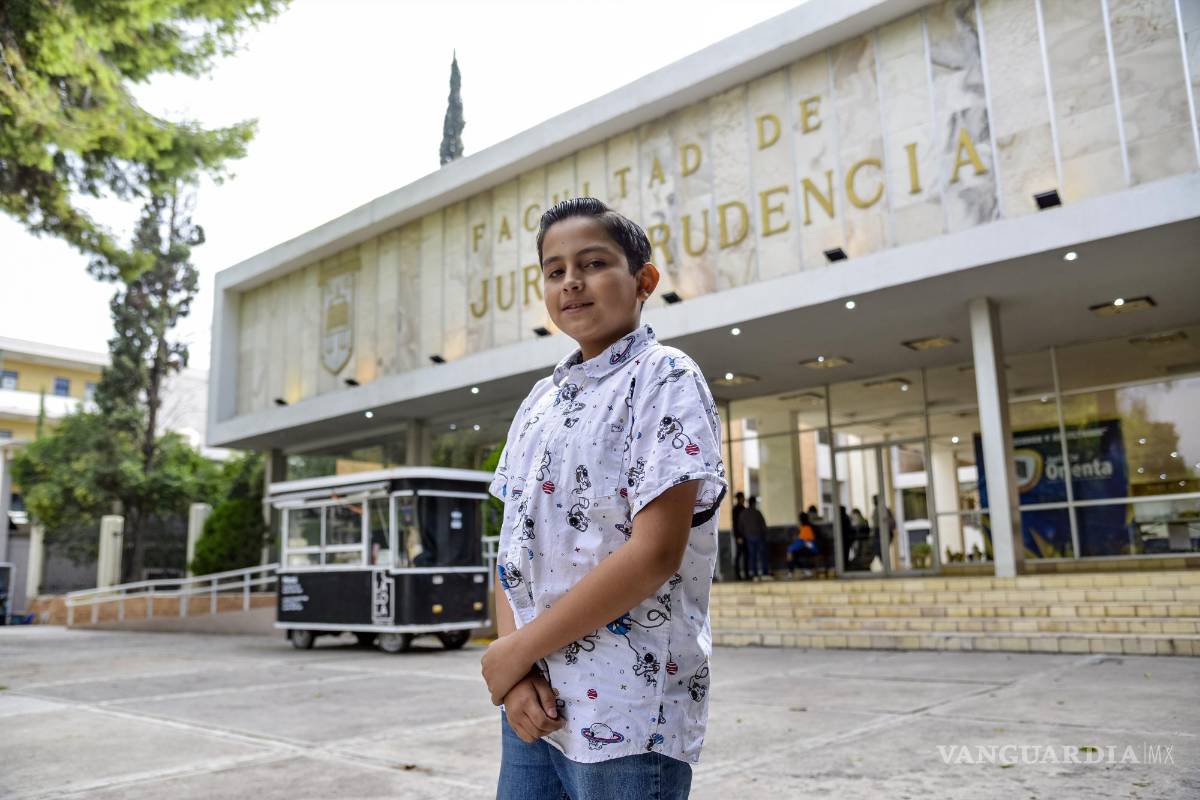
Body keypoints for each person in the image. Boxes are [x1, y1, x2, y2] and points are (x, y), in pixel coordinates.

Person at [482, 198, 726, 800]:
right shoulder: (539, 399)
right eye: (554, 269)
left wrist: (512, 654)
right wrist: (516, 676)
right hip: (535, 709)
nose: (571, 282)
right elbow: (512, 548)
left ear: (644, 281)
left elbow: (654, 555)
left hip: (628, 714)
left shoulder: (664, 376)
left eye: (592, 263)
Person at [741, 496, 768, 580]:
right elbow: (763, 525)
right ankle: (764, 572)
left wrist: (745, 534)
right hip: (759, 536)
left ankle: (754, 574)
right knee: (762, 555)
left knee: (752, 556)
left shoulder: (743, 513)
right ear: (754, 503)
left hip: (749, 537)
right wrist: (764, 534)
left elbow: (740, 526)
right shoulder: (757, 512)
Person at [787, 511, 818, 577]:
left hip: (812, 550)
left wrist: (790, 549)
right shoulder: (806, 527)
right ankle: (804, 570)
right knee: (793, 553)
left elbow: (801, 542)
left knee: (792, 553)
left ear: (801, 520)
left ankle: (793, 572)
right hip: (808, 548)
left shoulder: (806, 528)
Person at [732, 491, 748, 581]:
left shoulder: (743, 508)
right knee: (739, 555)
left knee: (745, 554)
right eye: (743, 498)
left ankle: (745, 574)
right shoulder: (736, 509)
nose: (744, 499)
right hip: (740, 536)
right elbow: (735, 524)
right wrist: (738, 536)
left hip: (745, 535)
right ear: (740, 498)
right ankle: (737, 574)